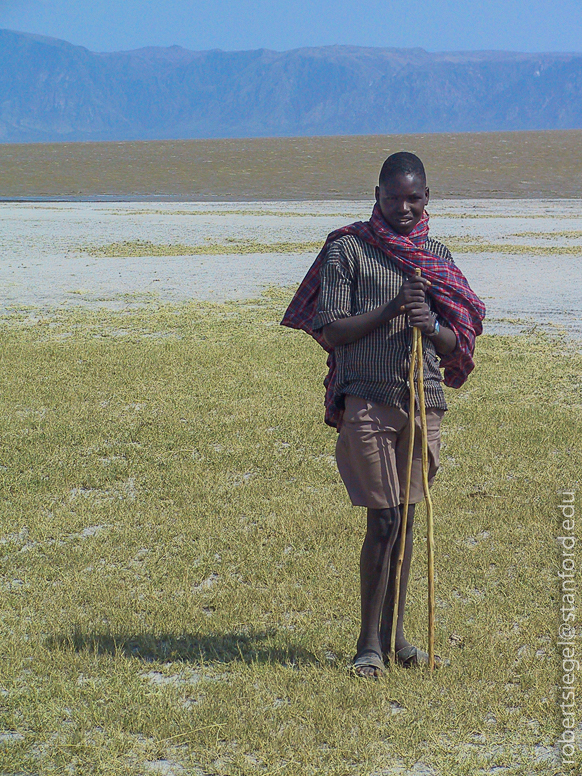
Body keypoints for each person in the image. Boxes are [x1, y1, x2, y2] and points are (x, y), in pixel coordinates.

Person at [281, 152, 486, 678]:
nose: (403, 207)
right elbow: (332, 329)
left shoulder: (433, 255)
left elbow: (455, 337)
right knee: (385, 518)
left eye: (413, 198)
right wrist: (394, 308)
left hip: (423, 398)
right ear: (376, 195)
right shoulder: (347, 249)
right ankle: (367, 645)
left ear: (426, 200)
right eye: (393, 197)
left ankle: (397, 638)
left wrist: (429, 323)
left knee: (410, 515)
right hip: (367, 397)